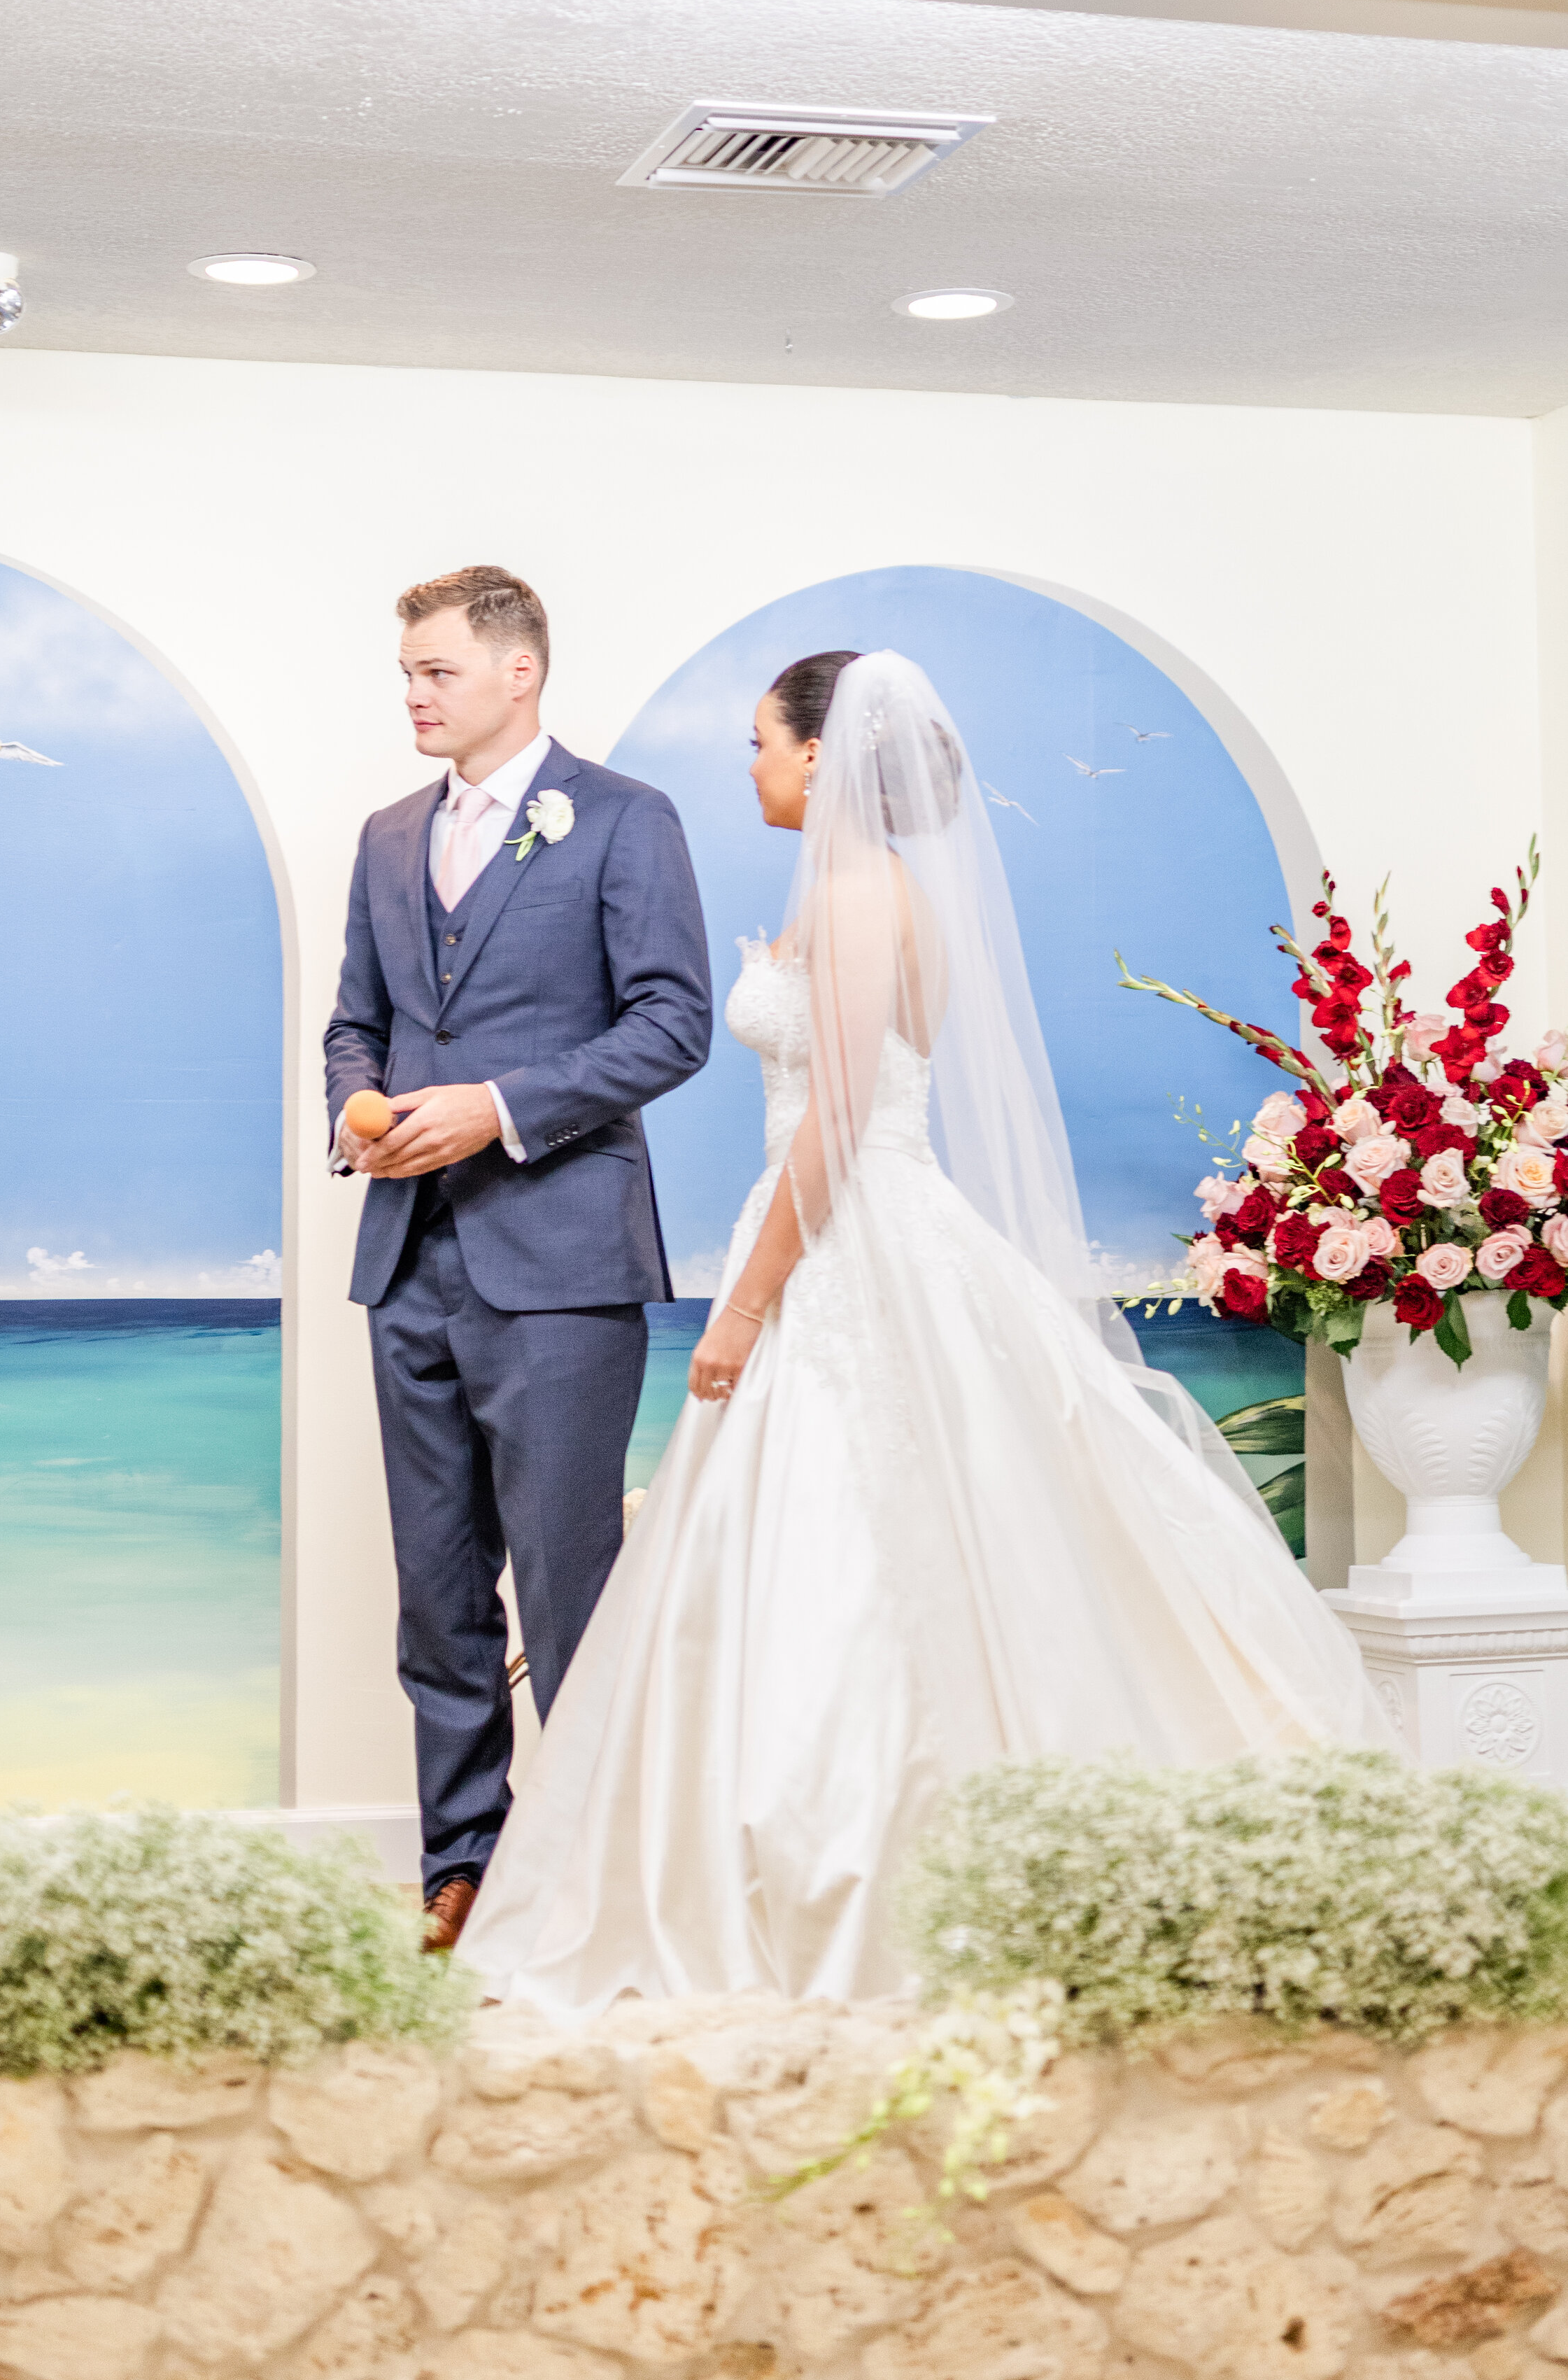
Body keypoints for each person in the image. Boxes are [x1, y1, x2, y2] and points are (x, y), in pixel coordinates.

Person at [459, 647, 1390, 2014]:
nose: (751, 766)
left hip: (843, 1230)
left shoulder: (856, 894)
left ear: (822, 754)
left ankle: (851, 1871)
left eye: (762, 743)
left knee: (850, 1540)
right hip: (860, 1218)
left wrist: (747, 1303)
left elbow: (839, 1121)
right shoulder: (872, 890)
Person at [324, 565, 712, 1952]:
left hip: (562, 1267)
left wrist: (496, 1108)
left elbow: (671, 1025)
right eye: (408, 674)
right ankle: (462, 1869)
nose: (414, 696)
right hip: (405, 1263)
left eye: (435, 671)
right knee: (435, 1593)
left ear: (518, 671)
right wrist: (358, 1111)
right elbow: (355, 1026)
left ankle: (598, 1871)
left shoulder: (625, 820)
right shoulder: (385, 838)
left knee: (569, 1581)